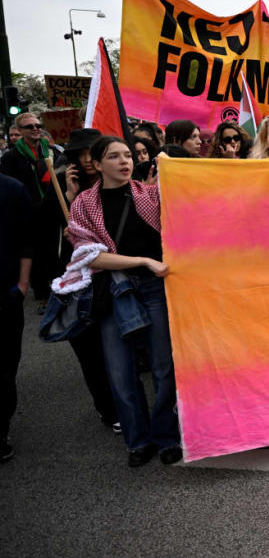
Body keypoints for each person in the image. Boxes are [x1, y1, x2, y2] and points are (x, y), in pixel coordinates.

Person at [66, 136, 180, 467]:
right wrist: (142, 261)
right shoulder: (84, 204)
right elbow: (90, 257)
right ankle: (138, 441)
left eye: (128, 155)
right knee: (120, 372)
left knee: (164, 367)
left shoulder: (153, 195)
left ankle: (166, 436)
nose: (124, 161)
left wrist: (176, 171)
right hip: (113, 293)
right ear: (97, 164)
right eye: (114, 157)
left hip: (155, 289)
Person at [42, 129, 120, 432]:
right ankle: (108, 409)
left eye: (93, 152)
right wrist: (70, 201)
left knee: (118, 347)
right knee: (89, 350)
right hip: (79, 283)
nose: (87, 159)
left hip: (112, 278)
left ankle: (127, 405)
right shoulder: (62, 185)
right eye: (81, 153)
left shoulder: (114, 183)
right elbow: (47, 235)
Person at [1, 113, 55, 313]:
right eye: (29, 126)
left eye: (38, 125)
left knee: (52, 252)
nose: (35, 128)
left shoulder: (50, 152)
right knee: (35, 253)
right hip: (27, 213)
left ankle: (57, 290)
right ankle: (41, 295)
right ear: (20, 131)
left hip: (50, 210)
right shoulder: (11, 157)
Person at [0, 173, 32, 462]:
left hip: (5, 295)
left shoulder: (12, 188)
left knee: (5, 367)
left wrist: (22, 286)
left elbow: (26, 240)